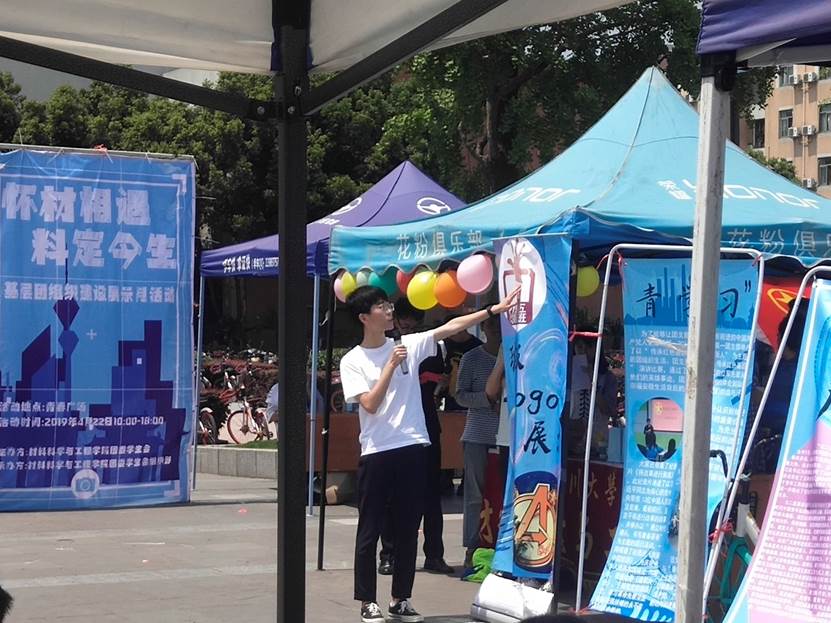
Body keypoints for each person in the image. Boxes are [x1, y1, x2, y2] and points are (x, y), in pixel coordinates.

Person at [340, 284, 519, 623]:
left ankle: (401, 599)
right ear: (364, 317)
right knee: (371, 528)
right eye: (381, 306)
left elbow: (450, 327)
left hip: (413, 446)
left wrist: (492, 310)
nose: (389, 310)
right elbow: (370, 404)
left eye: (388, 303)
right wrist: (390, 367)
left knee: (409, 526)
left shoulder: (408, 344)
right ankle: (367, 600)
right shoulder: (353, 360)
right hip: (377, 451)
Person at [378, 299, 454, 577]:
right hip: (394, 428)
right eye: (403, 321)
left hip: (426, 425)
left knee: (431, 493)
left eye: (413, 323)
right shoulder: (382, 347)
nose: (408, 326)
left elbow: (440, 381)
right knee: (391, 494)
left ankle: (434, 554)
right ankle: (389, 554)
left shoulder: (431, 347)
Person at [455, 313, 502, 571]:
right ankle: (472, 548)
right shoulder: (471, 358)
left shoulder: (516, 355)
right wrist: (487, 400)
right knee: (475, 495)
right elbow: (460, 395)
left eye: (499, 323)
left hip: (508, 437)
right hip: (477, 436)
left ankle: (501, 547)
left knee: (502, 494)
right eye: (490, 323)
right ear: (483, 326)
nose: (495, 328)